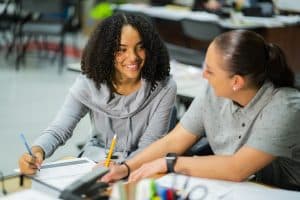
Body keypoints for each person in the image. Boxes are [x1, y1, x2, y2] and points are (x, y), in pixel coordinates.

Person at [101, 30, 300, 190]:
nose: (203, 75)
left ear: (236, 82)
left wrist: (170, 163)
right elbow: (175, 140)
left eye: (210, 70)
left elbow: (237, 168)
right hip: (242, 189)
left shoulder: (284, 106)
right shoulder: (214, 93)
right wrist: (127, 167)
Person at [18, 13, 177, 175]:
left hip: (141, 165)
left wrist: (122, 167)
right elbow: (60, 128)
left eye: (140, 47)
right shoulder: (88, 83)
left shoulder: (164, 87)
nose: (133, 57)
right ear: (106, 51)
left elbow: (150, 145)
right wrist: (37, 150)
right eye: (121, 49)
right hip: (95, 162)